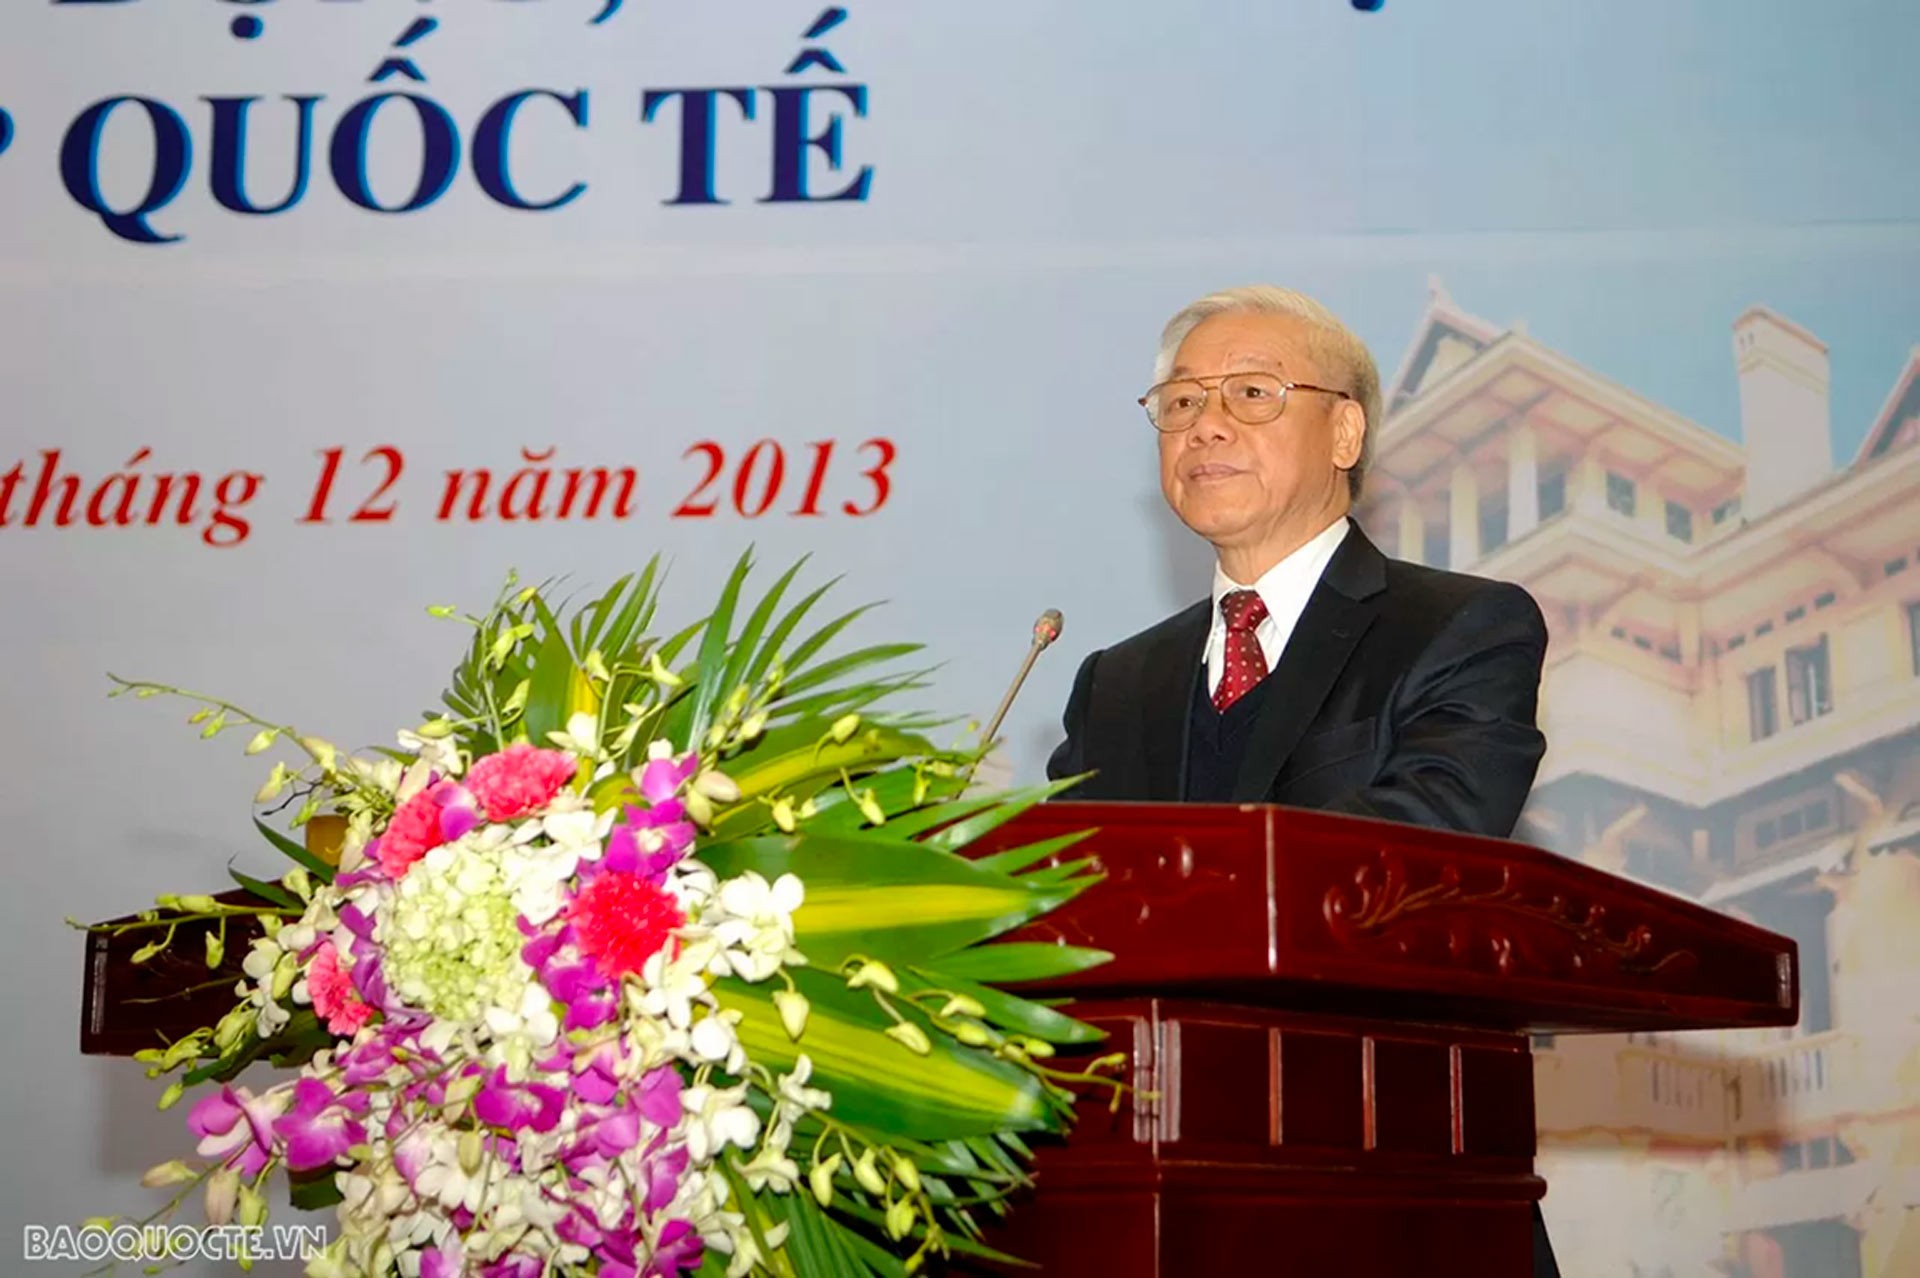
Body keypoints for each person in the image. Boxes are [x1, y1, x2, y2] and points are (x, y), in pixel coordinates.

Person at [1045, 284, 1560, 1277]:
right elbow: (1066, 901)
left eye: (1252, 393)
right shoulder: (1116, 680)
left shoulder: (1461, 627)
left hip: (1386, 1186)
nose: (1206, 426)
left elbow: (1417, 848)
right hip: (1146, 1194)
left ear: (1346, 432)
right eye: (1181, 402)